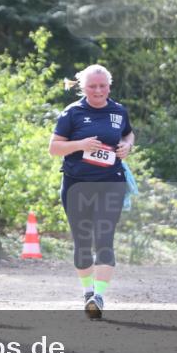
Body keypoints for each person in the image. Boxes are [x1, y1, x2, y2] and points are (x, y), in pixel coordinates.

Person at [49, 64, 134, 319]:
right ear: (83, 88)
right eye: (93, 86)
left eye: (103, 86)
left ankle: (99, 296)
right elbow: (54, 148)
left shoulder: (118, 111)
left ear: (109, 86)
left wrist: (126, 146)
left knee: (104, 237)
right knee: (83, 242)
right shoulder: (71, 113)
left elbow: (129, 134)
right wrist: (80, 144)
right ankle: (88, 293)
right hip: (77, 184)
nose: (98, 91)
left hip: (111, 182)